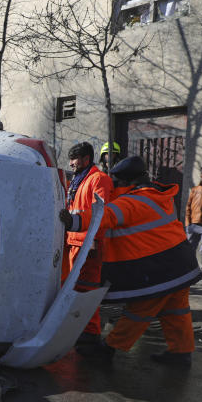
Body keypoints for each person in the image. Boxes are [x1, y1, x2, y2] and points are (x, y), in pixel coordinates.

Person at [62, 155, 201, 366]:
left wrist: (74, 220)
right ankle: (181, 353)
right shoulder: (156, 196)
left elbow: (103, 215)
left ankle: (109, 349)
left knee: (139, 311)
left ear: (125, 182)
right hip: (179, 264)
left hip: (160, 268)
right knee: (176, 310)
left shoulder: (132, 202)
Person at [64, 142, 113, 354]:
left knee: (86, 289)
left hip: (89, 244)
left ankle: (91, 333)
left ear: (86, 159)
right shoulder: (77, 179)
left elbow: (99, 212)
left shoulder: (99, 179)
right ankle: (79, 327)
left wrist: (77, 226)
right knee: (74, 288)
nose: (71, 163)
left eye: (75, 159)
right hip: (73, 242)